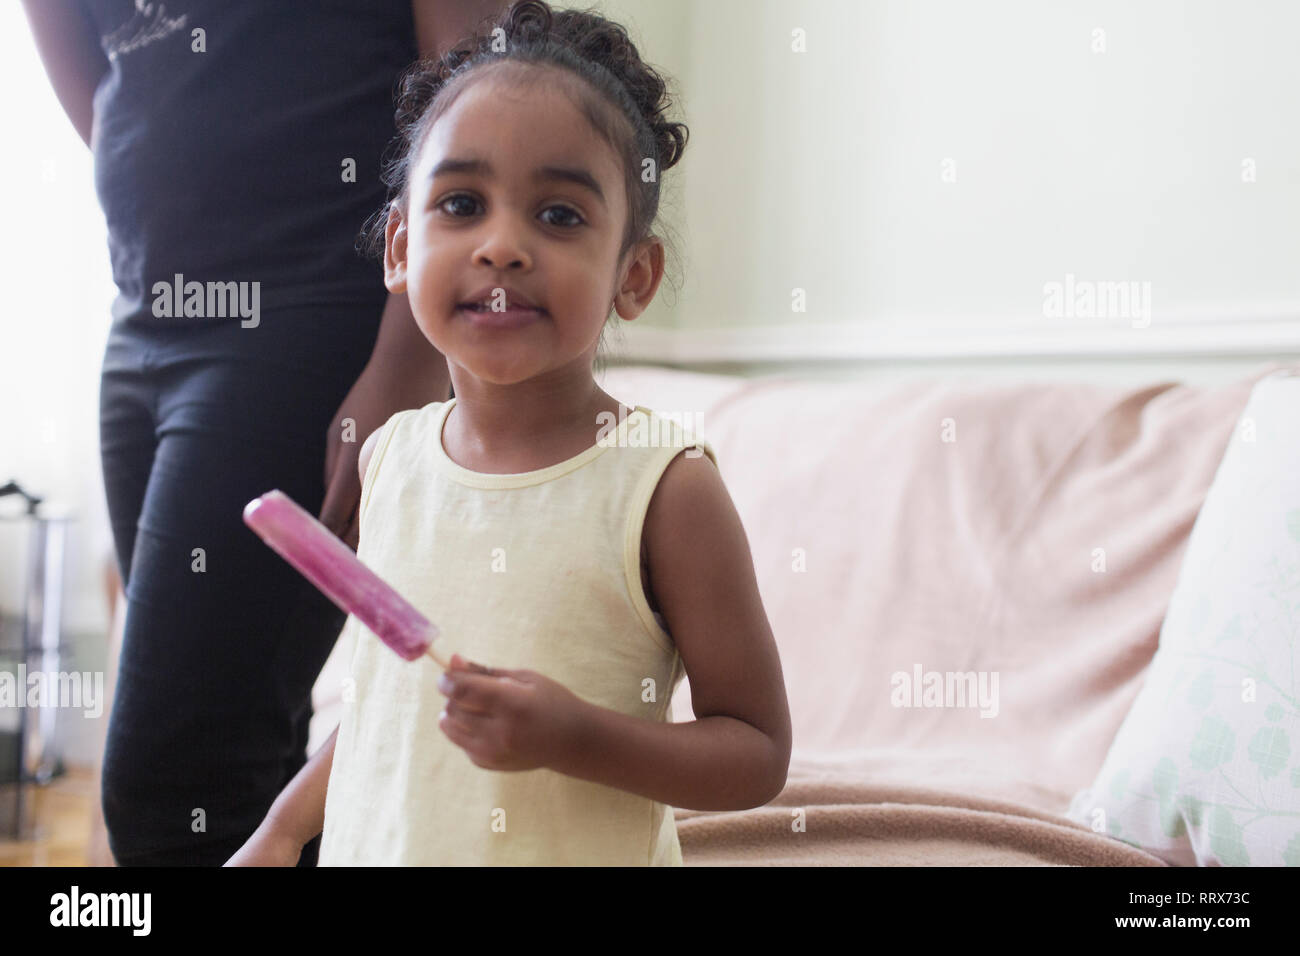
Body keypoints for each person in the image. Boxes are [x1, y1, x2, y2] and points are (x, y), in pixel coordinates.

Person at [226, 0, 792, 866]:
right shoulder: (393, 461)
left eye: (560, 216)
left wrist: (574, 736)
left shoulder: (664, 487)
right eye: (461, 203)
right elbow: (393, 705)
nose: (502, 246)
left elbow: (755, 754)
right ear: (400, 250)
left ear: (632, 276)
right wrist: (282, 830)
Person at [22, 0, 507, 865]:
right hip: (144, 323)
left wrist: (405, 358)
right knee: (245, 764)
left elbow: (467, 85)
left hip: (308, 313)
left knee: (173, 777)